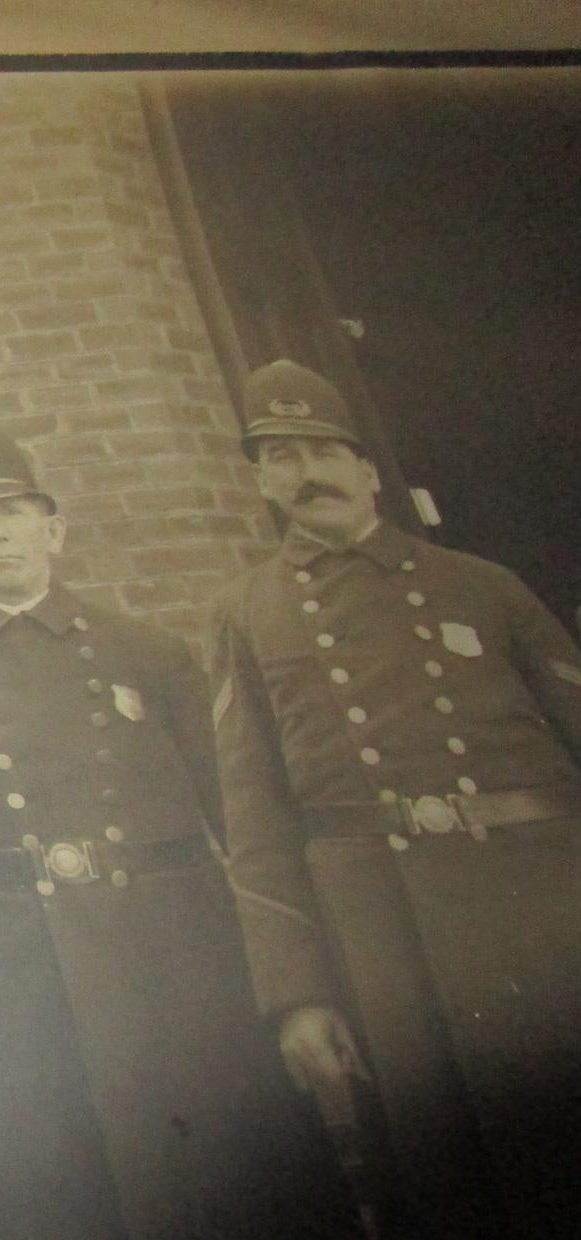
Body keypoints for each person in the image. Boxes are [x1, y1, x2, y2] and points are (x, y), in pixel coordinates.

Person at [0, 420, 354, 1240]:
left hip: (177, 957)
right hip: (27, 976)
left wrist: (288, 986)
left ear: (53, 528)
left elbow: (239, 825)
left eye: (14, 510)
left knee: (233, 1189)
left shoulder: (147, 651)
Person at [210, 358, 581, 1237]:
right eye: (282, 457)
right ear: (263, 483)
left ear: (367, 469)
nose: (309, 475)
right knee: (441, 1175)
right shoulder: (245, 612)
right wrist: (296, 994)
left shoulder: (484, 586)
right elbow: (253, 812)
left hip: (537, 910)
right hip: (382, 935)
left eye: (325, 451)